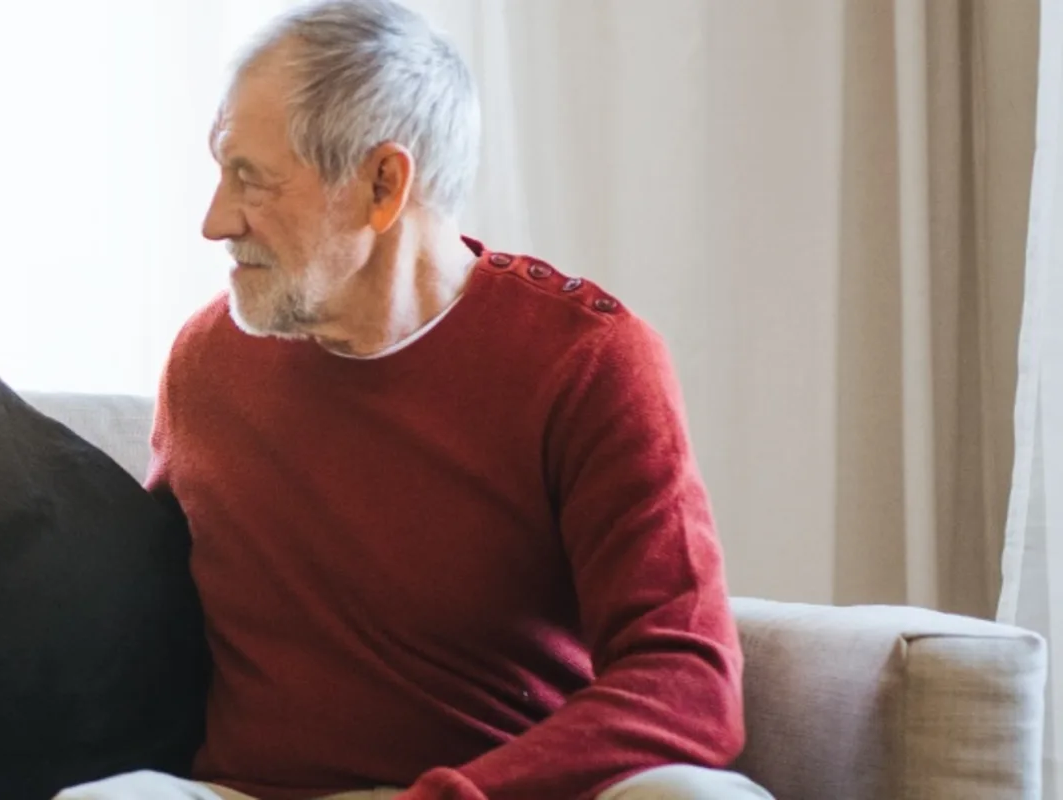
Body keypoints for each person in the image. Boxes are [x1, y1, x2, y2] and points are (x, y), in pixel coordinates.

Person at [61, 2, 771, 798]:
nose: (215, 221)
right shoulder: (208, 361)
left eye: (250, 178)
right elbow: (147, 620)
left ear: (382, 185)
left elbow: (688, 680)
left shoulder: (587, 362)